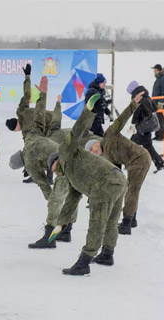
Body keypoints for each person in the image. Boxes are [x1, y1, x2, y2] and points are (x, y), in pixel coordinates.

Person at [48, 92, 127, 276]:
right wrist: (60, 225)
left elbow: (76, 132)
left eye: (53, 168)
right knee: (111, 220)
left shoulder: (66, 151)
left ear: (56, 161)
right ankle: (107, 254)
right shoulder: (72, 177)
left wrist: (88, 110)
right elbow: (71, 201)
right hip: (118, 180)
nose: (55, 173)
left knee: (97, 221)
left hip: (105, 182)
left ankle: (84, 262)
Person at [9, 74, 76, 248]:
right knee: (71, 194)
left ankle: (49, 238)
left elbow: (43, 182)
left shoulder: (30, 164)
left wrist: (48, 197)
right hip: (74, 157)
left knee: (55, 201)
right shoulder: (32, 135)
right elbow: (39, 115)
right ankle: (67, 231)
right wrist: (43, 95)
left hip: (64, 166)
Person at [84, 90, 151, 235]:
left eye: (92, 148)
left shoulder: (109, 134)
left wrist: (134, 104)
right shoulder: (107, 157)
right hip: (134, 162)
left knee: (132, 189)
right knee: (129, 189)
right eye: (91, 152)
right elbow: (114, 174)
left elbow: (122, 119)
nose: (93, 151)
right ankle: (132, 219)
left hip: (140, 158)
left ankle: (126, 224)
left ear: (96, 142)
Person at [127, 81, 164, 172]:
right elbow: (155, 108)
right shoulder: (146, 96)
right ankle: (160, 163)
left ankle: (130, 163)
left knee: (131, 145)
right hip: (148, 125)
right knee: (145, 145)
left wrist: (133, 123)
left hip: (142, 127)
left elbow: (137, 112)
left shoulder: (138, 98)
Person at [151, 64, 164, 141]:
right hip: (157, 102)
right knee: (158, 119)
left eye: (155, 70)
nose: (154, 72)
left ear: (158, 70)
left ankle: (161, 135)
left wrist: (161, 103)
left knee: (161, 119)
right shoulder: (160, 78)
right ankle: (158, 133)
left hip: (161, 103)